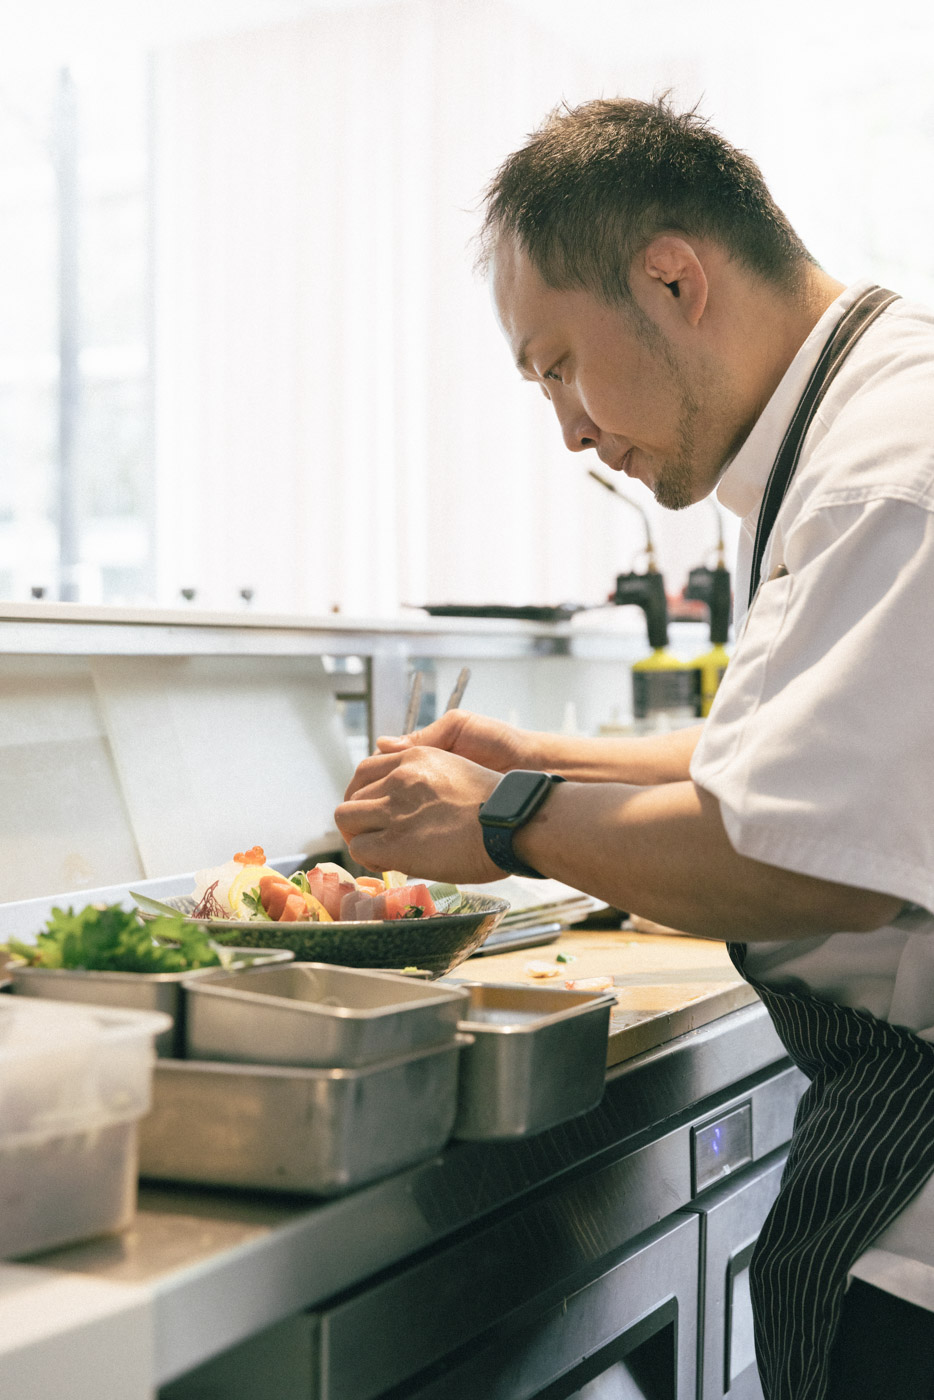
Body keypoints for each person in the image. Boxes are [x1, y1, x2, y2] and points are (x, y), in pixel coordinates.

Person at [335, 97, 934, 1400]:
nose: (564, 427)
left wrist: (504, 819)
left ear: (672, 277)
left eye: (555, 362)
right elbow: (788, 759)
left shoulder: (889, 471)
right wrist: (523, 754)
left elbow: (801, 858)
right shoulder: (841, 418)